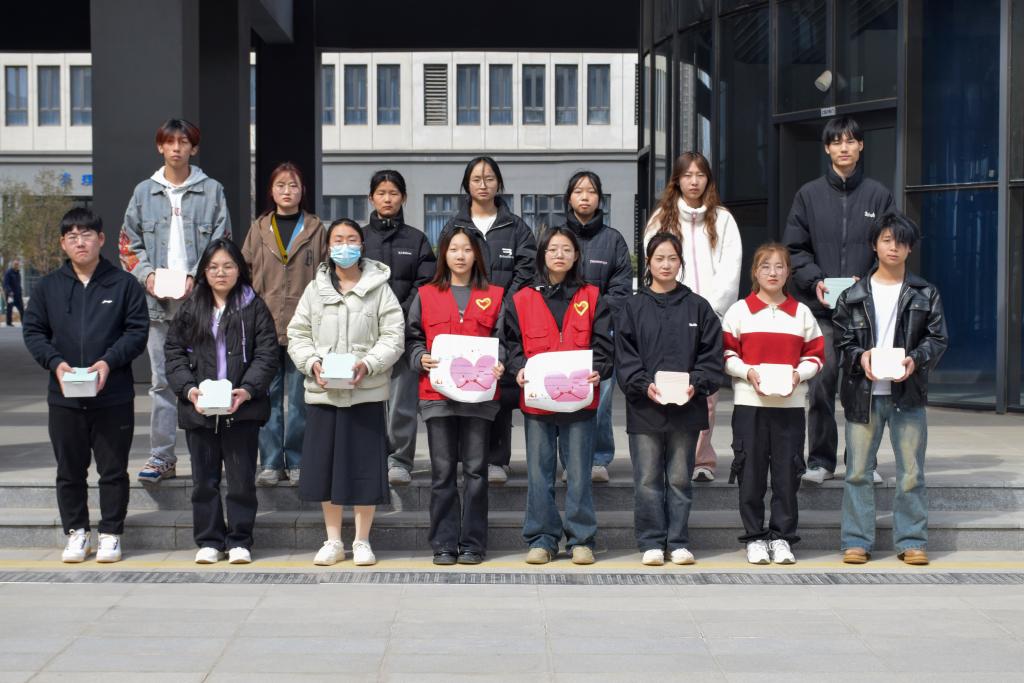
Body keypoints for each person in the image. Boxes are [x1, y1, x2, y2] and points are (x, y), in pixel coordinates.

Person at [22, 208, 149, 563]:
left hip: (113, 395)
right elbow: (34, 331)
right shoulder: (49, 287)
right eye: (72, 236)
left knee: (113, 470)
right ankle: (76, 532)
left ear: (101, 239)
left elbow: (136, 331)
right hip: (64, 397)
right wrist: (55, 363)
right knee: (69, 471)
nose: (80, 242)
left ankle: (110, 533)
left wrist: (108, 361)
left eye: (87, 234)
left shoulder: (123, 284)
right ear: (63, 243)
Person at [783, 116, 895, 485]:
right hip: (822, 310)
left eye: (850, 141)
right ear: (827, 148)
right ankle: (820, 460)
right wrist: (814, 281)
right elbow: (795, 249)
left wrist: (870, 280)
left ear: (861, 146)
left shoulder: (879, 195)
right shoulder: (808, 195)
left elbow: (890, 245)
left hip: (865, 311)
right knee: (821, 383)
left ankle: (864, 462)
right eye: (836, 142)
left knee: (863, 385)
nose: (843, 147)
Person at [119, 118, 232, 485]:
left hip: (201, 303)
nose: (177, 148)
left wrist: (196, 277)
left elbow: (222, 241)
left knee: (211, 378)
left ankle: (211, 457)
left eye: (184, 142)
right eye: (170, 142)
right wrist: (147, 276)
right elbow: (127, 244)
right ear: (160, 147)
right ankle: (162, 457)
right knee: (162, 382)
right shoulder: (144, 193)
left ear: (193, 148)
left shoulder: (212, 190)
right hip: (157, 306)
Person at [287, 219, 405, 567]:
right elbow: (298, 334)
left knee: (364, 468)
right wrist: (312, 363)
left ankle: (362, 540)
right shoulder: (315, 289)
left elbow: (393, 335)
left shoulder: (379, 288)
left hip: (365, 393)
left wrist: (368, 364)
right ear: (328, 247)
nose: (344, 246)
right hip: (324, 394)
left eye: (351, 239)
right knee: (326, 468)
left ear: (362, 245)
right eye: (337, 240)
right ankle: (333, 540)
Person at [833, 211, 947, 566]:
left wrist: (916, 359)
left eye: (900, 242)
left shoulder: (925, 292)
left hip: (907, 394)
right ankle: (856, 541)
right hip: (863, 395)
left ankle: (912, 540)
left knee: (911, 472)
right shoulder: (852, 295)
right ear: (874, 245)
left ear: (910, 248)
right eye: (886, 240)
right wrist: (860, 356)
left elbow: (937, 338)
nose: (893, 247)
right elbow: (842, 340)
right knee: (857, 472)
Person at [165, 239, 279, 564]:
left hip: (241, 410)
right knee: (204, 481)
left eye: (228, 266)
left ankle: (240, 540)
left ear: (239, 270)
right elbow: (173, 353)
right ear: (204, 271)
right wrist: (189, 390)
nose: (221, 272)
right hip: (200, 410)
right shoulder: (191, 307)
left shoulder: (253, 306)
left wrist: (247, 390)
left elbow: (266, 353)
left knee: (241, 481)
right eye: (213, 267)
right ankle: (210, 540)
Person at [504, 226, 613, 565]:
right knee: (539, 473)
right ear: (542, 255)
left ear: (576, 255)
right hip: (537, 401)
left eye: (566, 249)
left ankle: (581, 539)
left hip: (579, 400)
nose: (559, 255)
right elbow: (510, 344)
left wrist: (600, 369)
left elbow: (605, 346)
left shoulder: (592, 296)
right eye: (552, 249)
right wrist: (517, 368)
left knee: (579, 473)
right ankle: (542, 538)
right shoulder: (522, 298)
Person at [615, 233, 723, 566]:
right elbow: (625, 356)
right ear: (648, 263)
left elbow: (711, 355)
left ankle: (678, 541)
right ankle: (650, 541)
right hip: (645, 406)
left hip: (686, 407)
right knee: (647, 478)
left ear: (681, 263)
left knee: (679, 478)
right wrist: (642, 384)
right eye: (659, 258)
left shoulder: (698, 307)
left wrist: (697, 382)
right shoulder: (633, 306)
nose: (666, 265)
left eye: (672, 258)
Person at [406, 227, 504, 565]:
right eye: (453, 249)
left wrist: (501, 362)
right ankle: (444, 543)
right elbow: (412, 337)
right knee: (443, 472)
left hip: (479, 397)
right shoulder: (426, 294)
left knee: (476, 471)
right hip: (437, 395)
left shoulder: (495, 295)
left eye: (467, 249)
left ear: (477, 255)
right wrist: (420, 357)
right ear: (443, 255)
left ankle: (473, 543)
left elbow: (504, 340)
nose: (460, 255)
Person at [722, 243, 824, 565]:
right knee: (750, 473)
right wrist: (747, 372)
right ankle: (754, 537)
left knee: (787, 475)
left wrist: (798, 374)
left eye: (779, 266)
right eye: (765, 266)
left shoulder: (802, 313)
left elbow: (816, 356)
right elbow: (727, 354)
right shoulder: (739, 311)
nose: (773, 272)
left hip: (789, 406)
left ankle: (781, 537)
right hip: (750, 404)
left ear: (788, 272)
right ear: (755, 272)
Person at [644, 152, 742, 483]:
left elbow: (731, 269)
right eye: (687, 175)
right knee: (668, 388)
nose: (694, 181)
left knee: (706, 394)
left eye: (700, 175)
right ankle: (667, 458)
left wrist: (710, 311)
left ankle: (702, 459)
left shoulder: (723, 219)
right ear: (677, 180)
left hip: (710, 317)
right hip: (669, 317)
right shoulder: (661, 219)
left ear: (708, 180)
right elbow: (655, 265)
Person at [439, 156, 536, 485]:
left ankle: (497, 459)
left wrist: (503, 306)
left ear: (499, 183)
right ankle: (464, 457)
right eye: (477, 179)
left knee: (498, 386)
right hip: (464, 317)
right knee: (462, 382)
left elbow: (526, 271)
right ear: (467, 184)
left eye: (490, 178)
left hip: (504, 319)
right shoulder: (455, 226)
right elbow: (446, 267)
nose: (483, 185)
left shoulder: (515, 227)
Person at [242, 162, 327, 487]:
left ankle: (298, 460)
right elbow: (245, 270)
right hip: (264, 325)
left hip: (304, 327)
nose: (287, 191)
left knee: (301, 398)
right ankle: (270, 462)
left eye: (293, 185)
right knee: (267, 396)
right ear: (271, 191)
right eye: (280, 185)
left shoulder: (316, 229)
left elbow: (326, 274)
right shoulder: (259, 228)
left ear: (302, 190)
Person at [361, 170, 436, 486]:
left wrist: (397, 316)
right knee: (368, 399)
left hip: (405, 332)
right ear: (371, 198)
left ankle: (399, 460)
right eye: (381, 193)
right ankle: (371, 457)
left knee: (402, 402)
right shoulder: (360, 238)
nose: (387, 199)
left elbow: (426, 284)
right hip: (366, 333)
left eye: (393, 193)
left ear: (403, 197)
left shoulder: (416, 239)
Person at [561, 170, 633, 483]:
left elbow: (621, 289)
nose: (585, 197)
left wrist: (594, 315)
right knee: (567, 398)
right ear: (569, 198)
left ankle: (599, 458)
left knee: (601, 399)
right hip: (564, 334)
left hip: (603, 333)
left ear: (599, 198)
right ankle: (570, 462)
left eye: (591, 191)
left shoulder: (613, 240)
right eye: (578, 191)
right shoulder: (558, 238)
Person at [3, 259, 24, 326]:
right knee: (9, 309)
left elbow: (18, 284)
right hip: (10, 295)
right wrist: (9, 291)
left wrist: (20, 290)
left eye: (17, 264)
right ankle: (9, 323)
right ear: (12, 265)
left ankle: (24, 322)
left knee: (21, 309)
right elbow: (6, 284)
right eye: (15, 264)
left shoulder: (18, 273)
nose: (16, 265)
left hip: (18, 295)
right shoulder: (8, 273)